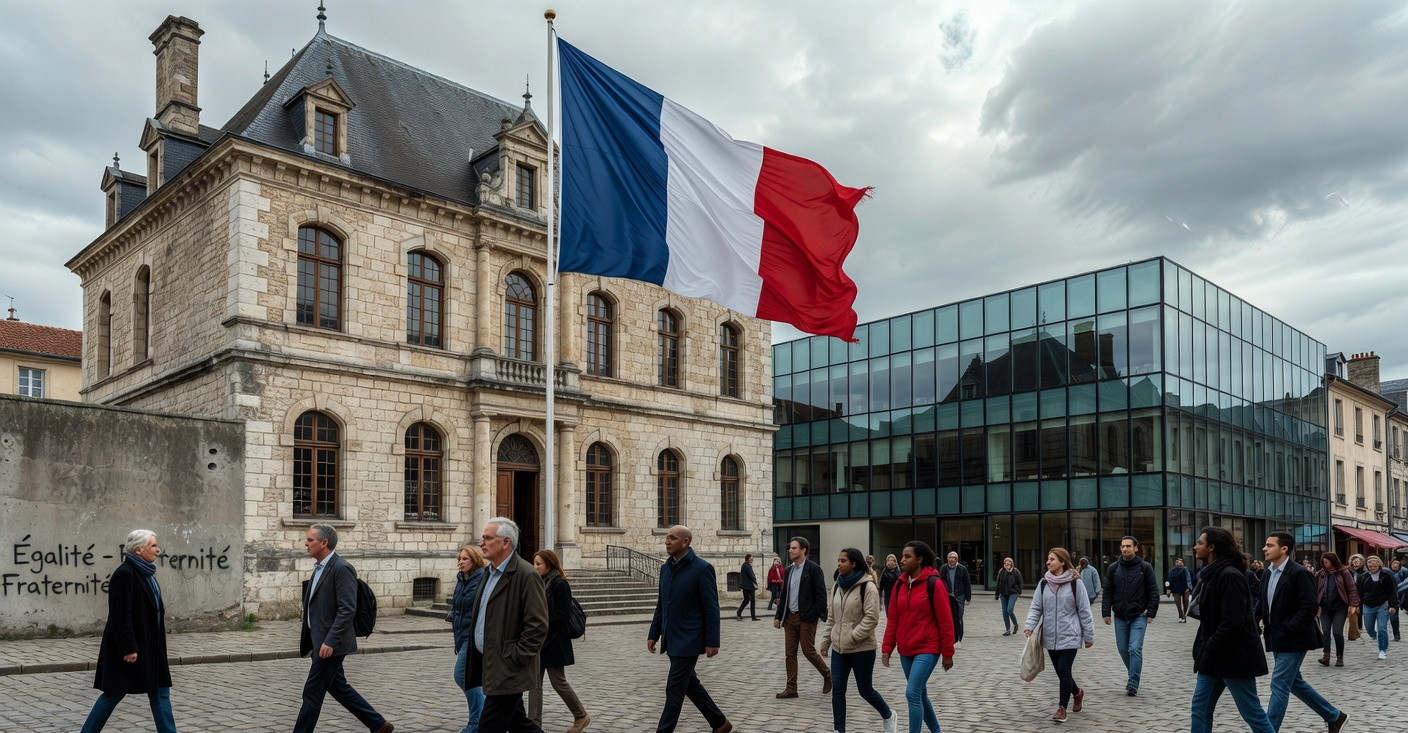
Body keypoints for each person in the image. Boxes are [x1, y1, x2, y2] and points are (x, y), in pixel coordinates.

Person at [294, 525, 393, 733]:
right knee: (339, 688)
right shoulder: (319, 567)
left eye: (310, 539)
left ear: (324, 543)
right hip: (318, 640)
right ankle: (378, 724)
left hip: (330, 645)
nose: (306, 543)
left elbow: (347, 610)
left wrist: (330, 641)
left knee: (312, 693)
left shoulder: (342, 568)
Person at [80, 530, 178, 733]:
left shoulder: (147, 573)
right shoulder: (125, 574)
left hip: (152, 647)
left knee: (160, 692)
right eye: (153, 546)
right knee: (113, 694)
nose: (158, 550)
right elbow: (120, 615)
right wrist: (128, 647)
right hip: (131, 649)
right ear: (138, 549)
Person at [461, 517, 548, 733]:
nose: (481, 542)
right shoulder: (487, 573)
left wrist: (514, 658)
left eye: (488, 538)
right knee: (518, 723)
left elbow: (537, 626)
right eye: (482, 537)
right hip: (491, 664)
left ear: (505, 542)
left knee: (488, 728)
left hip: (508, 668)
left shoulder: (526, 575)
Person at [1258, 532, 1349, 733]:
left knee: (1279, 683)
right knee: (1294, 682)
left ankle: (1268, 730)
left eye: (1269, 545)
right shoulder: (1267, 572)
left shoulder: (1299, 573)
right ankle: (1334, 716)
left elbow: (1308, 608)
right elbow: (1263, 603)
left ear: (1284, 549)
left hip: (1295, 638)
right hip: (1276, 637)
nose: (1264, 548)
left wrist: (1288, 628)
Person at [1188, 527, 1274, 733]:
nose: (1195, 546)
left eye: (1200, 542)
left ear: (1211, 547)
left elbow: (1232, 623)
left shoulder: (1229, 575)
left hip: (1235, 657)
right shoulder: (1211, 574)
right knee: (1200, 708)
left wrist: (1209, 647)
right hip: (1213, 657)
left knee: (1251, 712)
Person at [648, 525, 732, 733]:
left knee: (674, 689)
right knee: (690, 685)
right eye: (667, 537)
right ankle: (720, 723)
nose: (667, 541)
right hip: (671, 637)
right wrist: (654, 633)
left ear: (685, 542)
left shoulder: (702, 569)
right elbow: (662, 604)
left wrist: (713, 641)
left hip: (690, 639)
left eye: (672, 538)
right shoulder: (665, 569)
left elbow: (711, 608)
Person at [819, 548, 896, 733]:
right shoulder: (837, 586)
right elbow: (832, 617)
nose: (838, 564)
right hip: (839, 649)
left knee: (865, 690)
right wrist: (825, 641)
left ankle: (888, 714)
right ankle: (839, 729)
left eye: (843, 560)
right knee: (838, 690)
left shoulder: (867, 587)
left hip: (862, 648)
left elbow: (872, 618)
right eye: (838, 560)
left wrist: (853, 636)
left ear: (853, 563)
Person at [881, 540, 955, 733]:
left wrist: (948, 653)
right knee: (920, 694)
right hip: (906, 649)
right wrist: (887, 648)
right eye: (902, 556)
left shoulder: (934, 583)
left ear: (920, 559)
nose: (902, 560)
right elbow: (893, 619)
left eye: (907, 556)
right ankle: (936, 730)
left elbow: (946, 622)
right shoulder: (900, 583)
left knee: (912, 693)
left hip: (928, 648)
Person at [1023, 547, 1095, 723]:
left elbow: (1084, 611)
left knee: (1064, 669)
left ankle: (1062, 708)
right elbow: (1036, 607)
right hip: (1049, 636)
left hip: (1070, 635)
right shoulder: (1043, 583)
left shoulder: (1075, 583)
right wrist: (1029, 625)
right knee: (1061, 672)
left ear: (1062, 562)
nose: (1048, 562)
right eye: (1048, 559)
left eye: (1052, 559)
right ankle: (1077, 693)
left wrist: (1089, 636)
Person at [528, 549, 590, 733]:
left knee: (558, 682)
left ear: (549, 564)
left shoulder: (560, 584)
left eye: (538, 563)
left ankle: (581, 715)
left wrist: (541, 623)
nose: (535, 567)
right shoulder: (539, 582)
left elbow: (562, 614)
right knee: (533, 684)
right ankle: (533, 725)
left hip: (554, 641)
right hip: (538, 640)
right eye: (534, 563)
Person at [773, 536, 832, 698]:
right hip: (789, 618)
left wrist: (812, 615)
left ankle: (827, 674)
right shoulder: (788, 570)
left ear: (803, 549)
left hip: (807, 618)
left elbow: (821, 596)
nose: (791, 551)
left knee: (808, 650)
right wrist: (779, 616)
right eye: (790, 548)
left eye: (794, 548)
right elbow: (784, 595)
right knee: (790, 654)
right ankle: (791, 688)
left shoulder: (813, 569)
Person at [1101, 535, 1158, 696]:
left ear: (1136, 548)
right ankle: (1134, 671)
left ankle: (1133, 682)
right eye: (1123, 546)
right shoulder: (1113, 568)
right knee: (1122, 649)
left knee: (1134, 648)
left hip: (1139, 615)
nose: (1125, 549)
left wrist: (1151, 611)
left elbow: (1153, 591)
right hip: (1119, 615)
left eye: (1128, 546)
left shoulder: (1145, 567)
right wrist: (1106, 612)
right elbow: (1108, 592)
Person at [449, 545, 488, 733]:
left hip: (473, 637)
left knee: (462, 676)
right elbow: (459, 605)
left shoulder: (482, 578)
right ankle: (488, 714)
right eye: (459, 559)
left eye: (464, 559)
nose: (460, 562)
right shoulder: (462, 579)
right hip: (461, 634)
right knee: (472, 679)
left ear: (474, 560)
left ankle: (476, 722)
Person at [1314, 552, 1358, 667]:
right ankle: (1326, 657)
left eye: (1327, 561)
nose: (1325, 564)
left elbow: (1352, 589)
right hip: (1324, 609)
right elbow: (1314, 590)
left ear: (1333, 561)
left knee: (1337, 633)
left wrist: (1353, 604)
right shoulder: (1320, 574)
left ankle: (1339, 657)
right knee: (1325, 632)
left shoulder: (1344, 573)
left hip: (1340, 608)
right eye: (1324, 562)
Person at [1355, 555, 1398, 660]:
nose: (1372, 566)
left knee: (1382, 628)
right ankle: (1374, 634)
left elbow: (1392, 592)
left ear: (1379, 564)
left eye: (1375, 564)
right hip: (1367, 606)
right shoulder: (1363, 577)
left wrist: (1393, 605)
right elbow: (1358, 593)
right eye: (1370, 564)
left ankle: (1382, 650)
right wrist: (1357, 605)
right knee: (1369, 629)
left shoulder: (1385, 576)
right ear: (1367, 565)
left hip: (1382, 606)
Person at [939, 552, 972, 646]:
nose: (952, 559)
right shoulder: (944, 568)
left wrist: (968, 597)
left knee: (958, 617)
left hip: (959, 596)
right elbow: (940, 582)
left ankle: (958, 638)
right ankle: (949, 637)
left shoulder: (962, 569)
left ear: (957, 559)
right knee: (947, 617)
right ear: (947, 558)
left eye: (954, 558)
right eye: (950, 557)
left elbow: (967, 583)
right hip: (947, 595)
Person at [995, 557, 1024, 636]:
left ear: (1011, 564)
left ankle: (1015, 624)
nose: (1007, 565)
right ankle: (1008, 630)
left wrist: (1018, 591)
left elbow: (1020, 582)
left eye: (1008, 564)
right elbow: (998, 583)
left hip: (1013, 593)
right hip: (1003, 593)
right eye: (1005, 564)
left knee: (1009, 609)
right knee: (1004, 612)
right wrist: (997, 594)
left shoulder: (1015, 572)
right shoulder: (1001, 572)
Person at [1165, 557, 1193, 622]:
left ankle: (1184, 615)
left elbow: (1189, 579)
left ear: (1183, 563)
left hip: (1185, 589)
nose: (1178, 562)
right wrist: (1168, 588)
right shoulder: (1172, 571)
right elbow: (1169, 580)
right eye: (1177, 561)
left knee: (1186, 602)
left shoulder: (1186, 570)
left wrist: (1189, 587)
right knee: (1178, 603)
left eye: (1180, 561)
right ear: (1175, 563)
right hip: (1175, 589)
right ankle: (1181, 616)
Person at [737, 554, 758, 621]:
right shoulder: (747, 566)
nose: (752, 559)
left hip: (746, 586)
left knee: (746, 600)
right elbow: (751, 575)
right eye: (751, 558)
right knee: (752, 601)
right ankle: (753, 617)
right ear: (748, 558)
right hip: (749, 586)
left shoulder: (745, 565)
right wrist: (755, 582)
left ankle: (739, 612)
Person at [1390, 558, 1407, 642]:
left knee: (1394, 618)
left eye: (1397, 564)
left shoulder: (1403, 572)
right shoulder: (1387, 573)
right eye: (1394, 563)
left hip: (1396, 599)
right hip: (1386, 598)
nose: (1395, 565)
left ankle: (1396, 635)